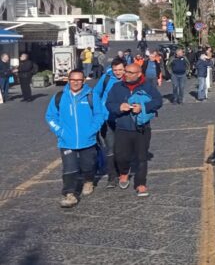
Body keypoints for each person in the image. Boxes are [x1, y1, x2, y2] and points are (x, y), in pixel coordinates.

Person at [45, 69, 104, 208]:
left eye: (79, 80)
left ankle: (88, 181)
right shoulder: (59, 97)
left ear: (83, 81)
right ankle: (69, 194)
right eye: (73, 80)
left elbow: (99, 115)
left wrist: (92, 130)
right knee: (69, 169)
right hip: (67, 141)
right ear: (68, 80)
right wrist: (60, 131)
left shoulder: (91, 95)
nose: (76, 82)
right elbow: (50, 116)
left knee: (88, 166)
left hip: (88, 140)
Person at [105, 63, 163, 197]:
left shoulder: (147, 86)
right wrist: (119, 107)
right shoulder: (117, 87)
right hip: (122, 127)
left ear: (139, 74)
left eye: (131, 73)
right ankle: (124, 172)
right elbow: (109, 104)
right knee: (121, 156)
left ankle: (140, 183)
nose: (127, 74)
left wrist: (143, 107)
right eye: (126, 72)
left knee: (142, 157)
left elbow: (158, 101)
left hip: (142, 128)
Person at [94, 58, 126, 188]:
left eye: (120, 70)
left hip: (124, 119)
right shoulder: (106, 78)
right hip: (106, 119)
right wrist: (99, 111)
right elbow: (96, 93)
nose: (118, 73)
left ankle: (122, 172)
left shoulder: (129, 78)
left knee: (123, 148)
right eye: (115, 70)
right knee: (110, 148)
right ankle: (112, 177)